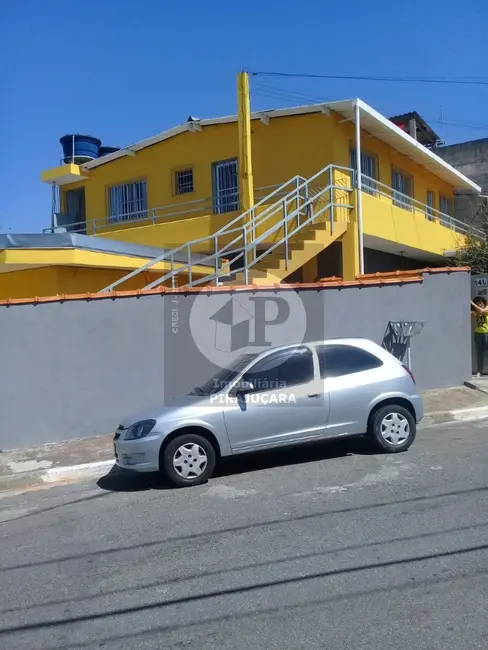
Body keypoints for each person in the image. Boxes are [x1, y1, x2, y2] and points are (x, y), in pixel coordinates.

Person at [471, 296, 488, 377]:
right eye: (478, 304)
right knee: (479, 353)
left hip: (486, 333)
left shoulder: (486, 309)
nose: (480, 305)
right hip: (478, 334)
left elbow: (482, 311)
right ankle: (479, 371)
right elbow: (471, 313)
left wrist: (473, 304)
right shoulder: (475, 312)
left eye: (481, 303)